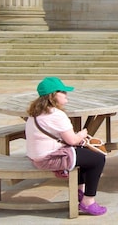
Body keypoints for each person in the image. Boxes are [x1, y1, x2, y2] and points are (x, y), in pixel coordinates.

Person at [25, 77, 108, 216]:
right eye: (62, 91)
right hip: (49, 159)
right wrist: (82, 134)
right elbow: (73, 140)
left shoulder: (34, 114)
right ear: (53, 95)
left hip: (37, 158)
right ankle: (88, 201)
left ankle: (80, 191)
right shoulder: (57, 115)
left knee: (81, 153)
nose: (66, 94)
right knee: (98, 159)